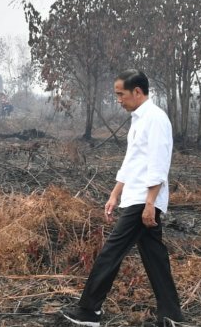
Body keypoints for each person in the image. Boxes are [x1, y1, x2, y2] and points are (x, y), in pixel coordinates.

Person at [61, 70, 183, 327]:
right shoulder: (139, 120)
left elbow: (159, 164)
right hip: (135, 195)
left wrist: (150, 202)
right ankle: (172, 315)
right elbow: (132, 161)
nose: (118, 99)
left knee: (112, 250)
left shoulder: (156, 119)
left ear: (137, 91)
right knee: (154, 256)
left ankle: (89, 310)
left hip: (144, 198)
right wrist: (115, 193)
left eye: (121, 94)